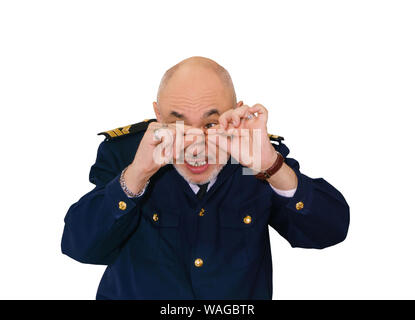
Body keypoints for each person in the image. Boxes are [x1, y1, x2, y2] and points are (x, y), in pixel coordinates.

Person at [61, 56, 349, 299]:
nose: (195, 144)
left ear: (236, 112)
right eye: (178, 124)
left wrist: (272, 167)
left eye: (211, 123)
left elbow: (329, 230)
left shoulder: (252, 157)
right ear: (157, 115)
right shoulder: (127, 154)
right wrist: (137, 175)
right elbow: (80, 246)